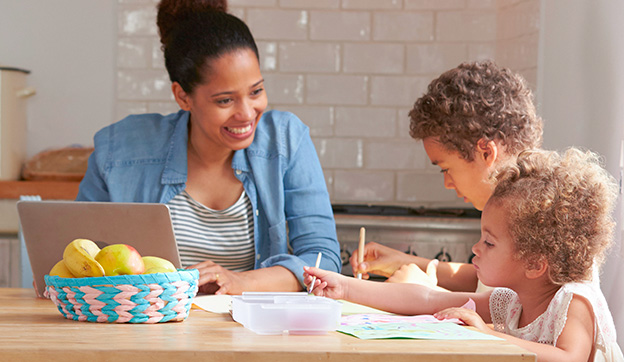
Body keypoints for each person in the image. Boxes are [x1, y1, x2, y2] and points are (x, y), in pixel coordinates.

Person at [76, 0, 341, 295]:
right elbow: (79, 256)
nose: (247, 113)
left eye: (256, 91)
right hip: (146, 331)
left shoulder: (285, 139)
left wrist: (241, 281)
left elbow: (323, 261)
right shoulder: (120, 150)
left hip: (253, 333)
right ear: (183, 96)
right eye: (225, 100)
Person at [306, 148, 624, 361]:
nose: (476, 248)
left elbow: (569, 359)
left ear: (535, 263)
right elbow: (429, 299)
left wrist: (488, 335)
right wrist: (345, 287)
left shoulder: (574, 300)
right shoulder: (511, 302)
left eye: (489, 242)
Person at [350, 60, 544, 292]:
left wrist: (427, 295)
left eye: (445, 168)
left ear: (486, 152)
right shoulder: (515, 205)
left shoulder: (538, 226)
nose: (447, 183)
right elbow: (486, 284)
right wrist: (407, 264)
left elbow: (507, 321)